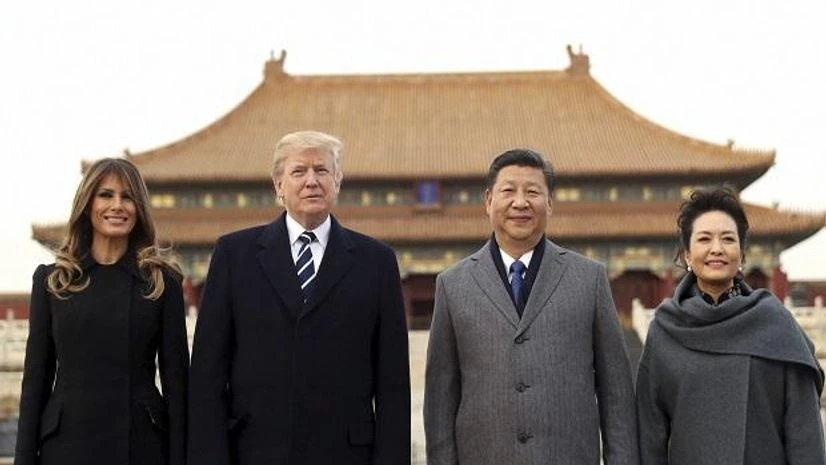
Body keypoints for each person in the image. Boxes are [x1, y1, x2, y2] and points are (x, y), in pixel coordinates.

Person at [188, 130, 411, 465]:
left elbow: (392, 383)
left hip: (345, 453)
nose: (311, 181)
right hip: (254, 450)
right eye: (298, 171)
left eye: (322, 170)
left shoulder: (376, 261)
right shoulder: (235, 255)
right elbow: (208, 374)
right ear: (278, 185)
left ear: (338, 181)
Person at [424, 148, 639, 465]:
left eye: (533, 192)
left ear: (550, 203)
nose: (520, 202)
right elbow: (440, 400)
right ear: (488, 201)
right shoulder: (453, 285)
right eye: (508, 191)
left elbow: (616, 392)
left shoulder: (589, 279)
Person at [15, 158, 189, 465]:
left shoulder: (161, 284)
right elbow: (36, 383)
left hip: (141, 447)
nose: (117, 205)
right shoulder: (54, 281)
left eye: (128, 197)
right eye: (106, 195)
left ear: (140, 208)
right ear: (87, 203)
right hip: (66, 446)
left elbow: (177, 387)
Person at [636, 186, 825, 465]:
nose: (717, 249)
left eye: (727, 239)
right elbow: (650, 435)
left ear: (741, 253)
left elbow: (805, 433)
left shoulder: (775, 324)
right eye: (704, 239)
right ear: (687, 254)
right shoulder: (665, 330)